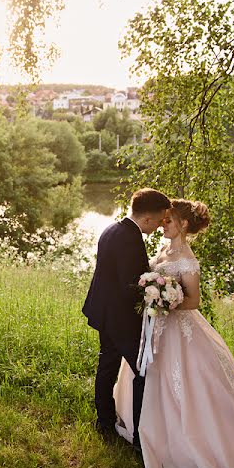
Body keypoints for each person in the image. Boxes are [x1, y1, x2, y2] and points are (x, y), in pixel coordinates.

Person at [114, 199, 234, 468]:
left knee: (190, 384)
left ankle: (201, 447)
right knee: (146, 374)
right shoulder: (164, 250)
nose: (163, 224)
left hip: (180, 329)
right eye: (163, 220)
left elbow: (193, 300)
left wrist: (165, 300)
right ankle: (142, 429)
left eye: (168, 220)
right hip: (157, 327)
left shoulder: (187, 258)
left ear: (183, 225)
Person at [82, 188, 171, 449]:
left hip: (104, 312)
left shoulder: (113, 229)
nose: (157, 227)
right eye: (158, 221)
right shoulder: (130, 239)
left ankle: (105, 421)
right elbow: (131, 285)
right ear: (147, 219)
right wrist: (158, 294)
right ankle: (140, 435)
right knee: (143, 371)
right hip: (121, 319)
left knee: (107, 365)